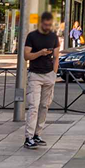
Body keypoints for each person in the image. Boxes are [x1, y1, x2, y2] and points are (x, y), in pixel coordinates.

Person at [23, 12, 60, 149]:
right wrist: (40, 53)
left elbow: (56, 56)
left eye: (50, 25)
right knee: (33, 106)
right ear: (41, 23)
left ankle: (37, 134)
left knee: (44, 106)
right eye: (45, 24)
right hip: (35, 75)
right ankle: (28, 137)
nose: (47, 27)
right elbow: (26, 56)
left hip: (49, 74)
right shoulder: (32, 36)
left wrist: (54, 74)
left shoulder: (53, 36)